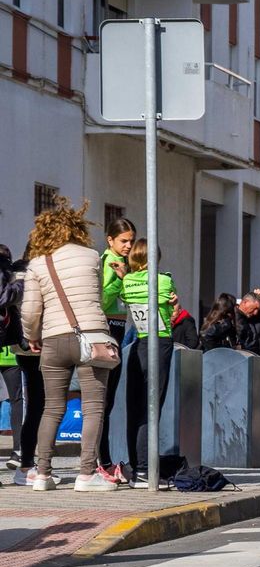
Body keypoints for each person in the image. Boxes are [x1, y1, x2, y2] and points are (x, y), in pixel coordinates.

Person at [19, 200, 123, 491]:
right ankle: (87, 474)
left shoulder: (38, 263)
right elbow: (98, 297)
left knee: (51, 408)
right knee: (93, 407)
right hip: (91, 338)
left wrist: (32, 336)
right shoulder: (91, 256)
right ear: (77, 227)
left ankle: (42, 474)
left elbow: (29, 310)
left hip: (53, 339)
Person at [120, 238, 178, 481]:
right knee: (153, 406)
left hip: (139, 343)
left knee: (135, 406)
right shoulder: (163, 279)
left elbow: (125, 297)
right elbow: (171, 304)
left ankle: (136, 465)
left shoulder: (127, 281)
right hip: (161, 341)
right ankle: (145, 468)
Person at [1, 243, 47, 483]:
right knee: (33, 402)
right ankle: (27, 459)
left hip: (18, 348)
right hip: (28, 346)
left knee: (29, 401)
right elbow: (21, 307)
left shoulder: (14, 272)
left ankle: (24, 458)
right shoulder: (22, 275)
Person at [97, 217, 135, 469]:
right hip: (109, 328)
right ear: (110, 240)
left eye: (131, 241)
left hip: (119, 329)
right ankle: (102, 459)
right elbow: (101, 297)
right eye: (123, 240)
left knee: (108, 401)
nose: (128, 245)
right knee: (103, 400)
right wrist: (121, 280)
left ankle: (106, 459)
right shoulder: (109, 263)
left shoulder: (124, 263)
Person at [234, 290, 260, 356]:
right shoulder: (232, 318)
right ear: (245, 302)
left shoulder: (252, 319)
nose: (255, 312)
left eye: (258, 310)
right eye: (255, 308)